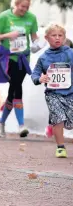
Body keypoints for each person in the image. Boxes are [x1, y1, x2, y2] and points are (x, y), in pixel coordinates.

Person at [0, 0, 40, 138]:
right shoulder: (5, 17)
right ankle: (21, 125)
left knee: (13, 90)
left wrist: (37, 45)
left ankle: (1, 121)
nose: (24, 10)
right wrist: (8, 35)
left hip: (23, 58)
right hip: (8, 58)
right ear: (16, 4)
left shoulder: (31, 18)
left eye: (26, 7)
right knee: (16, 88)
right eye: (22, 7)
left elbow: (34, 37)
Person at [31, 23, 73, 158]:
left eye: (60, 35)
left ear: (65, 37)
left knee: (70, 122)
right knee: (58, 119)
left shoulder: (70, 53)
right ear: (47, 38)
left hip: (70, 92)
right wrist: (40, 78)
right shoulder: (43, 57)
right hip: (53, 94)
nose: (57, 38)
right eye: (53, 35)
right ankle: (60, 147)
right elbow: (35, 74)